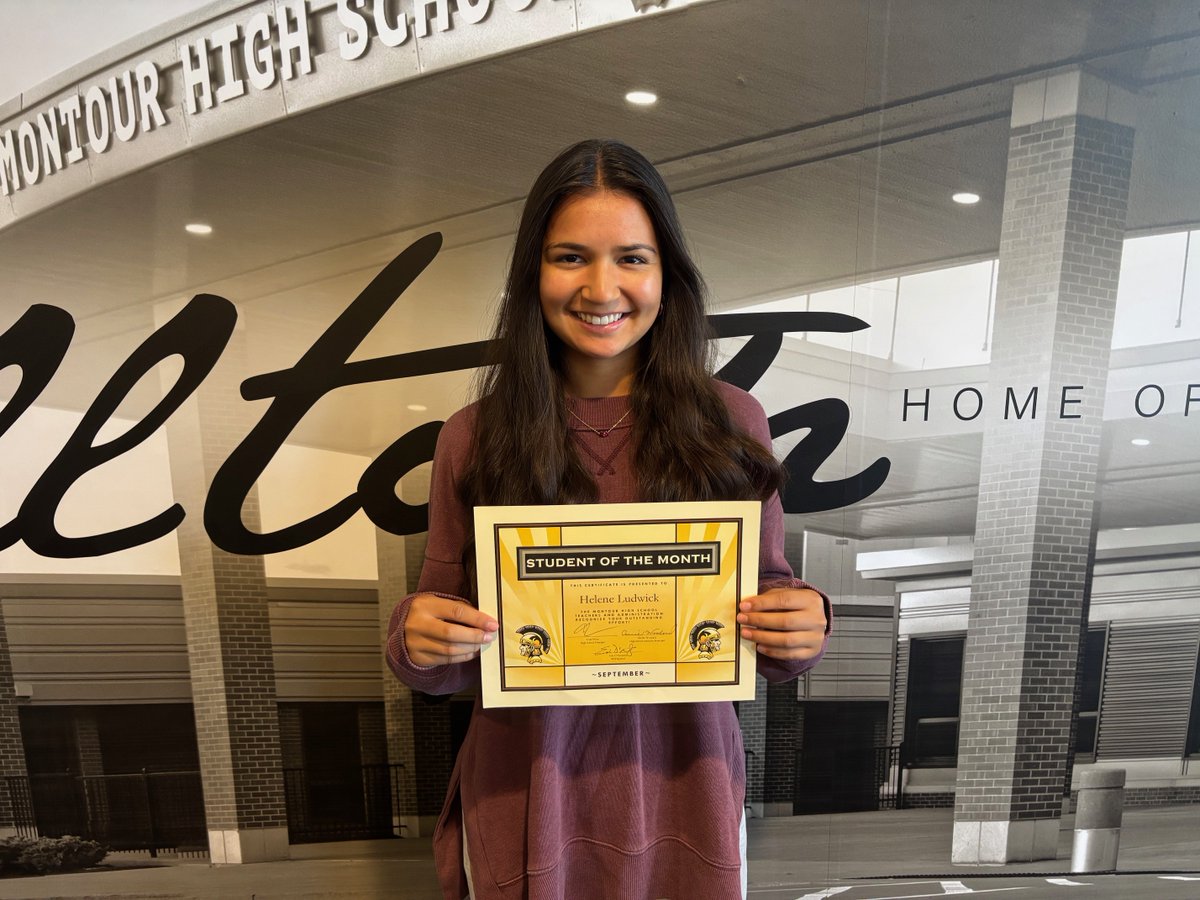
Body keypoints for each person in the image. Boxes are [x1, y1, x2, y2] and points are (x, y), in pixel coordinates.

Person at [387, 139, 831, 900]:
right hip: (526, 797)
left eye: (632, 257)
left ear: (668, 274)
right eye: (570, 257)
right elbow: (441, 651)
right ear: (534, 271)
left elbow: (770, 613)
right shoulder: (473, 435)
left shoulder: (733, 422)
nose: (602, 286)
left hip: (686, 791)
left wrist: (802, 622)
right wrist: (419, 637)